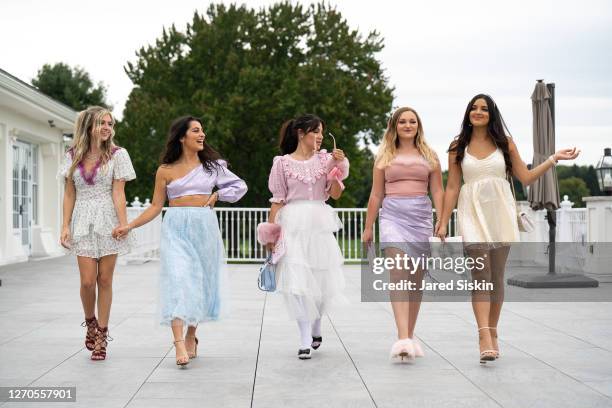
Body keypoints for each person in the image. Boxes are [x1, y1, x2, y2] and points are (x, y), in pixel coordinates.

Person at [436, 94, 579, 363]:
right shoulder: (458, 146)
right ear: (468, 113)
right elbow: (453, 186)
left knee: (496, 276)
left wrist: (553, 159)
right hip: (472, 213)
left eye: (484, 109)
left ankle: (493, 330)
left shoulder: (505, 144)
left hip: (500, 211)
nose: (478, 112)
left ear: (492, 115)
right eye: (474, 108)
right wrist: (443, 220)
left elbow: (525, 177)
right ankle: (483, 336)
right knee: (480, 273)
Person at [112, 116, 247, 366]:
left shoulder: (213, 167)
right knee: (177, 280)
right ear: (182, 137)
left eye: (202, 130)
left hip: (204, 227)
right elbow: (155, 206)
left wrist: (219, 194)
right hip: (175, 226)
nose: (202, 134)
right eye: (196, 130)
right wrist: (129, 225)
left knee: (201, 283)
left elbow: (240, 187)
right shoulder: (165, 170)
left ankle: (191, 336)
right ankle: (177, 345)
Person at [259, 114, 349, 360]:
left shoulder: (326, 160)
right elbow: (277, 200)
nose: (320, 136)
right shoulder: (282, 163)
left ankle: (317, 324)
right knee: (296, 281)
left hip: (319, 222)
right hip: (292, 223)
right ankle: (303, 336)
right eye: (315, 131)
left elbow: (337, 194)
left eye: (322, 132)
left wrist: (337, 169)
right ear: (301, 133)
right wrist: (271, 234)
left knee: (321, 280)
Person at [362, 107, 444, 361]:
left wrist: (441, 222)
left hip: (420, 217)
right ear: (394, 126)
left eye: (412, 121)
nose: (407, 125)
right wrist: (368, 227)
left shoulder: (430, 155)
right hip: (392, 216)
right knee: (398, 273)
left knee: (416, 281)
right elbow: (376, 194)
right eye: (402, 122)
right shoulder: (384, 155)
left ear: (418, 126)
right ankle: (402, 337)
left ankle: (409, 335)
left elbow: (438, 191)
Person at [59, 106, 136, 361]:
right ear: (89, 126)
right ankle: (89, 321)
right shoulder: (72, 155)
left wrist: (123, 224)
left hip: (108, 220)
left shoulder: (118, 154)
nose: (107, 128)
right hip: (82, 221)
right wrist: (65, 225)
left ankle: (102, 334)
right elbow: (70, 193)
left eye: (110, 124)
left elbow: (118, 192)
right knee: (87, 281)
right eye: (102, 123)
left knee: (105, 280)